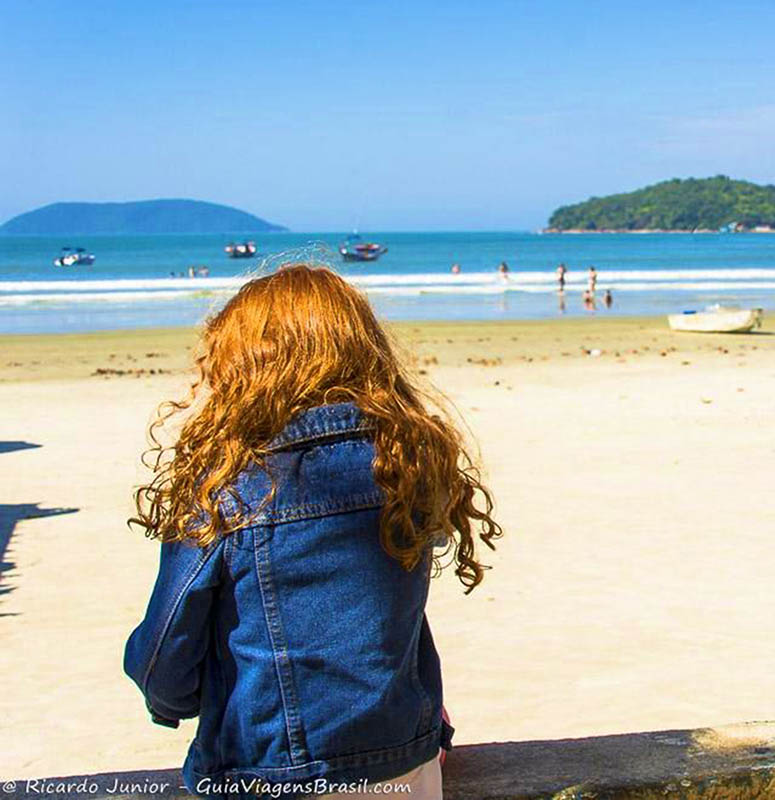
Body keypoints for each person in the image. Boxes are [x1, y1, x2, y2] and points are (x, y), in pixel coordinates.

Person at [123, 264, 501, 799]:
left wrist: (171, 702)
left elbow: (167, 646)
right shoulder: (407, 462)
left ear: (245, 368)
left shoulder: (231, 484)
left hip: (271, 772)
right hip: (405, 762)